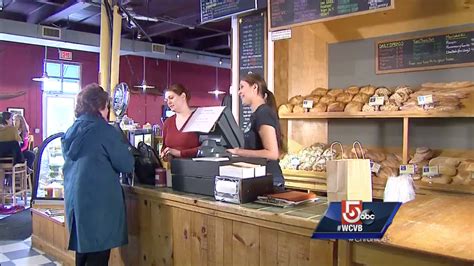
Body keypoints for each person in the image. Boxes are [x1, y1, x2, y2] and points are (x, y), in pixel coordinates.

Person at [61, 83, 134, 266]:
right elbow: (126, 164)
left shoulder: (72, 130)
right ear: (101, 106)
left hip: (77, 206)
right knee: (99, 258)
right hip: (99, 207)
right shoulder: (104, 131)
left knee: (83, 255)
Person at [227, 73, 285, 188]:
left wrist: (239, 152)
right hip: (259, 177)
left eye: (242, 87)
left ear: (254, 87)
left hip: (269, 179)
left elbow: (272, 154)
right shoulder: (256, 114)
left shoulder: (263, 113)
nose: (239, 92)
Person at [161, 83, 200, 160]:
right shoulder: (168, 122)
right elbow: (164, 147)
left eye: (171, 98)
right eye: (166, 100)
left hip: (195, 169)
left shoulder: (198, 119)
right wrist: (165, 154)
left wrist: (180, 153)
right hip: (174, 170)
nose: (168, 102)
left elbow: (206, 148)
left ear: (183, 96)